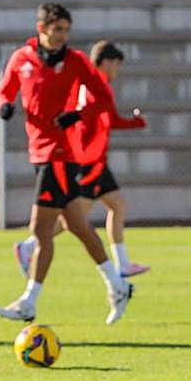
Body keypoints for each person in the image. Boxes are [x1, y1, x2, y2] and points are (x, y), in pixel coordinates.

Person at [0, 4, 134, 326]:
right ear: (42, 28)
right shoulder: (22, 59)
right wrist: (4, 106)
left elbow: (102, 98)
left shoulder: (76, 62)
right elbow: (5, 90)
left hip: (60, 153)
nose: (62, 37)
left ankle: (29, 300)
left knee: (40, 230)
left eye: (66, 30)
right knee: (76, 226)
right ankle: (117, 284)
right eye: (57, 30)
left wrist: (77, 114)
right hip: (38, 152)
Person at [14, 40, 149, 279]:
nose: (117, 70)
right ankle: (29, 247)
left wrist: (135, 123)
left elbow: (109, 121)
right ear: (106, 62)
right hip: (87, 162)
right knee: (74, 220)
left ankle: (123, 263)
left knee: (116, 205)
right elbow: (82, 125)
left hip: (97, 162)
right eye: (116, 64)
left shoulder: (99, 86)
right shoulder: (89, 88)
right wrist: (85, 161)